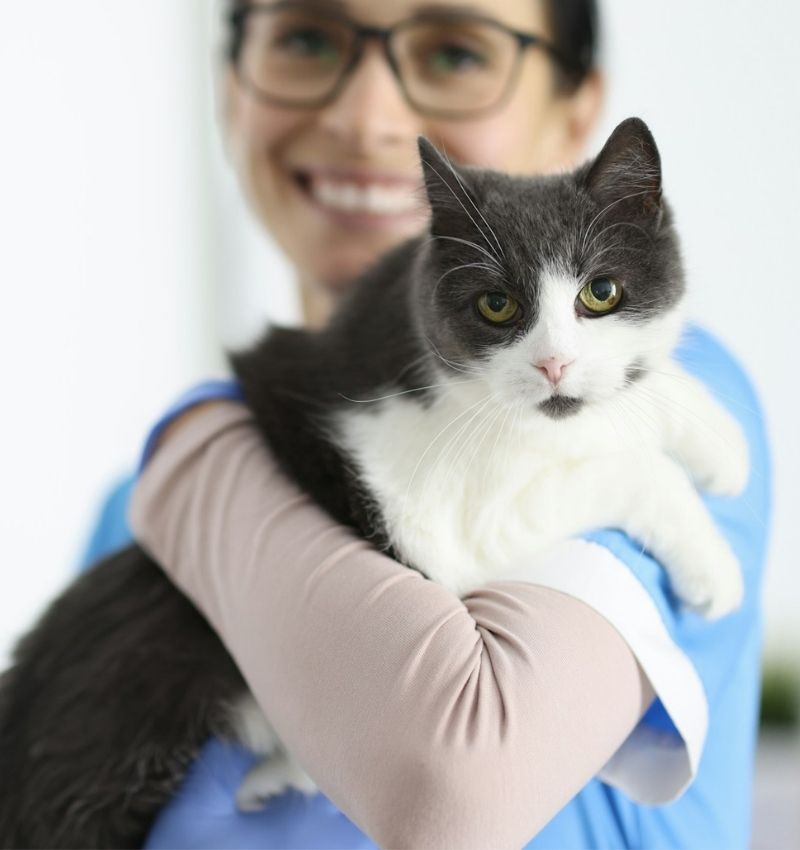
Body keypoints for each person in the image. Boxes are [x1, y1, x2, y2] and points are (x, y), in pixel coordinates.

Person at [83, 1, 771, 847]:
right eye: (306, 39)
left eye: (454, 53)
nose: (365, 118)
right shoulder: (130, 509)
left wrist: (204, 462)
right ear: (228, 87)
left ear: (578, 106)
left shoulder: (671, 406)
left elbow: (457, 786)